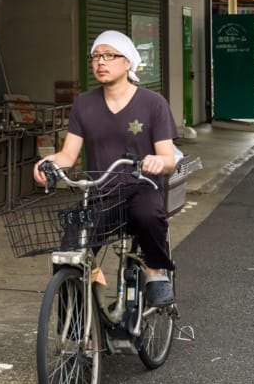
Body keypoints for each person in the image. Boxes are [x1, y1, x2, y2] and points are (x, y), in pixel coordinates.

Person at [34, 30, 178, 307]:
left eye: (110, 55)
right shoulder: (84, 104)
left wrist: (159, 161)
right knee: (69, 250)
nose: (101, 62)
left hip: (141, 188)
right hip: (101, 194)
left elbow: (169, 158)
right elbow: (68, 154)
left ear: (128, 63)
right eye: (97, 56)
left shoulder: (153, 103)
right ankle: (78, 333)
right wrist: (47, 163)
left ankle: (155, 273)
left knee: (149, 216)